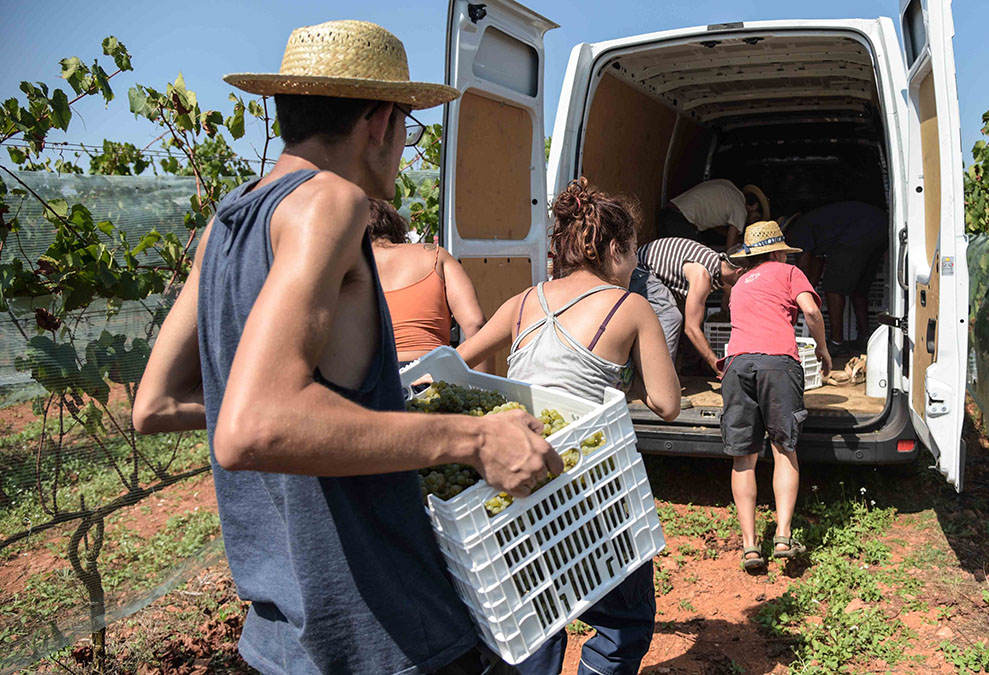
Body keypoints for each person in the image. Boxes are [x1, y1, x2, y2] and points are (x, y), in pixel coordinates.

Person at [131, 20, 560, 675]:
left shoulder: (228, 221)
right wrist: (473, 439)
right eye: (407, 131)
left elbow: (157, 404)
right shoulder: (331, 201)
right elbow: (251, 426)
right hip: (377, 633)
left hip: (283, 639)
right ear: (380, 122)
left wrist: (367, 414)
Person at [458, 177, 680, 675]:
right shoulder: (632, 306)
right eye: (633, 254)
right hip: (593, 489)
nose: (635, 266)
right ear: (614, 250)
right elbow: (668, 403)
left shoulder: (522, 302)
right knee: (624, 619)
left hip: (521, 483)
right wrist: (621, 378)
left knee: (536, 615)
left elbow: (458, 361)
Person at [721, 221, 832, 572]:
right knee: (784, 450)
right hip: (777, 364)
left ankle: (751, 546)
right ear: (779, 251)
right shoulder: (789, 272)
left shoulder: (740, 283)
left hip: (737, 366)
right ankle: (783, 536)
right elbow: (811, 311)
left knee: (743, 457)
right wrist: (823, 349)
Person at [367, 198, 489, 371]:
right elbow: (476, 324)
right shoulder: (435, 256)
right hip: (430, 374)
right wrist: (485, 389)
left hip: (374, 378)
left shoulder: (345, 269)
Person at [783, 200, 888, 354]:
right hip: (881, 226)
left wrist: (797, 296)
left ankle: (836, 342)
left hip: (857, 231)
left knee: (833, 289)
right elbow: (817, 265)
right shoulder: (817, 226)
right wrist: (808, 291)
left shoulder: (798, 231)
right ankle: (864, 336)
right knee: (859, 289)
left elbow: (804, 267)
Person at [632, 237, 745, 376]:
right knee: (672, 317)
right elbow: (691, 328)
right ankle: (659, 381)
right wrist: (718, 367)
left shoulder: (720, 264)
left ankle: (690, 366)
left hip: (658, 274)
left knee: (692, 313)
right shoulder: (702, 276)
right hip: (639, 269)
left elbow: (730, 292)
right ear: (739, 272)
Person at [660, 179, 770, 251]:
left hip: (670, 213)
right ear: (754, 206)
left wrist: (739, 240)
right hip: (680, 222)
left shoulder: (729, 187)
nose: (751, 222)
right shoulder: (740, 209)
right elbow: (730, 249)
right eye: (755, 217)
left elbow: (716, 224)